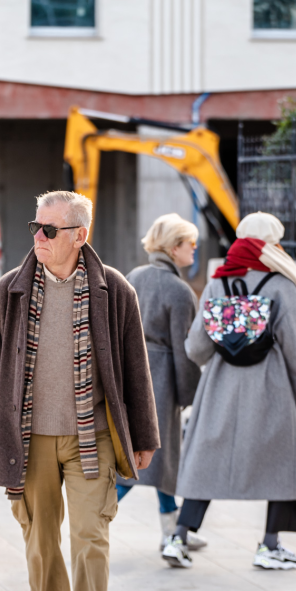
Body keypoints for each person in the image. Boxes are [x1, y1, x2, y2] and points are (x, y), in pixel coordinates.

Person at [0, 191, 159, 591]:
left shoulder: (115, 291)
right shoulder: (6, 293)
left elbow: (135, 371)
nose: (38, 237)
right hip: (28, 439)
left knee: (90, 538)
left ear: (80, 236)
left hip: (90, 438)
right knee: (40, 539)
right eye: (35, 227)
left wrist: (143, 434)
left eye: (50, 230)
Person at [162, 211, 296, 570]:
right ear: (271, 243)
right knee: (284, 463)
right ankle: (270, 545)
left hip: (221, 384)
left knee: (206, 458)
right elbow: (295, 346)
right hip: (270, 385)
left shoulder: (219, 283)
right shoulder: (282, 284)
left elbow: (197, 347)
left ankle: (179, 537)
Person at [122, 214, 206, 552]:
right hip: (160, 380)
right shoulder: (179, 291)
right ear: (174, 248)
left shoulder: (132, 277)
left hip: (129, 372)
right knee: (146, 459)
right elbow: (183, 350)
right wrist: (190, 393)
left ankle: (172, 529)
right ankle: (93, 519)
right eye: (190, 244)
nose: (194, 250)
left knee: (160, 456)